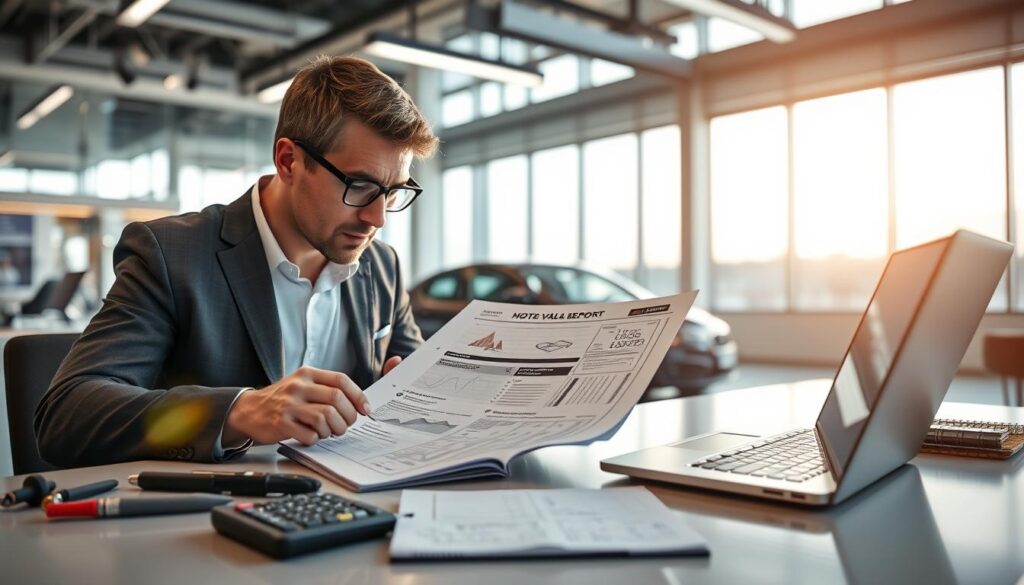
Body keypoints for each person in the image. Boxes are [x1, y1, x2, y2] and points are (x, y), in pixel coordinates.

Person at [34, 55, 439, 467]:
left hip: (348, 510)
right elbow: (67, 415)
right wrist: (240, 412)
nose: (378, 218)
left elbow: (418, 387)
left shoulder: (381, 266)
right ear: (288, 161)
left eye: (392, 191)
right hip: (207, 519)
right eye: (361, 186)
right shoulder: (171, 255)